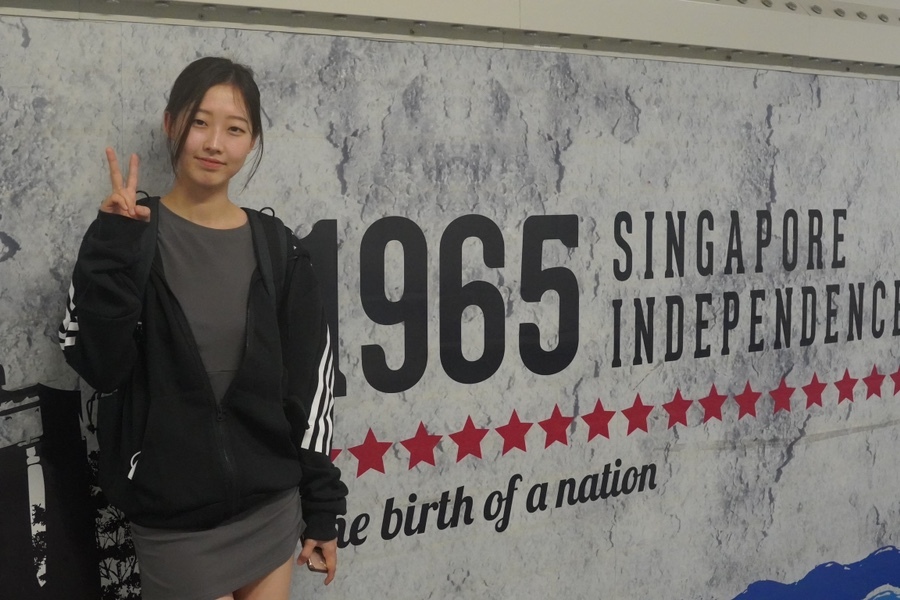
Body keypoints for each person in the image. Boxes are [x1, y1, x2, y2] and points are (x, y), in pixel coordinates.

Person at [58, 56, 348, 600]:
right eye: (199, 122)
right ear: (171, 124)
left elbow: (311, 391)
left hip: (269, 508)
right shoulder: (127, 235)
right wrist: (112, 249)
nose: (215, 143)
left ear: (252, 141)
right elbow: (100, 365)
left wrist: (322, 508)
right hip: (174, 521)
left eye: (235, 129)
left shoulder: (279, 249)